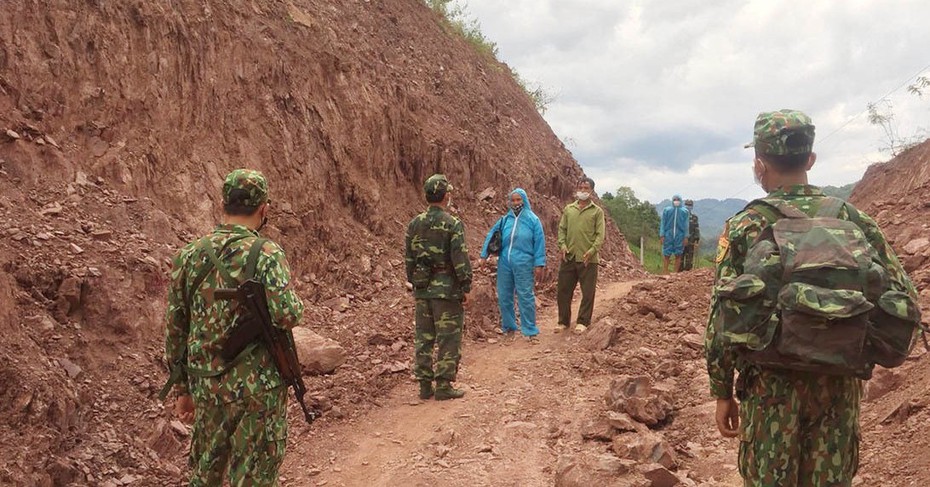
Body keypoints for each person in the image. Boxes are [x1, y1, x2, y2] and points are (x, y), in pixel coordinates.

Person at [704, 110, 917, 486]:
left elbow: (721, 316)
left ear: (759, 164)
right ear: (811, 160)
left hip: (769, 385)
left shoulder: (745, 225)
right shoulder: (854, 219)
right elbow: (903, 297)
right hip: (839, 382)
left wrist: (722, 391)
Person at [164, 169, 305, 486]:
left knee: (205, 473)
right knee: (254, 475)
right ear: (264, 209)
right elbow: (287, 315)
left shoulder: (187, 256)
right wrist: (298, 305)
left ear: (223, 204)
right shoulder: (267, 254)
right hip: (259, 390)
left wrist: (183, 390)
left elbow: (175, 329)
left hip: (207, 386)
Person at [405, 174, 473, 400]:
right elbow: (459, 258)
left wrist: (415, 282)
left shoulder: (414, 223)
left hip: (423, 290)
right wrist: (465, 285)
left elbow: (409, 258)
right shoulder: (452, 224)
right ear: (446, 196)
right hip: (446, 290)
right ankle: (443, 386)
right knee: (448, 337)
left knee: (423, 338)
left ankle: (425, 386)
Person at [479, 189, 546, 342]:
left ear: (524, 201)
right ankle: (509, 327)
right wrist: (484, 255)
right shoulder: (505, 219)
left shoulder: (533, 220)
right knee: (504, 295)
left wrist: (539, 264)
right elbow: (491, 235)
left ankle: (529, 330)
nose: (516, 203)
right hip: (505, 262)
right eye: (513, 200)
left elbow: (539, 243)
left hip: (524, 262)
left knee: (525, 296)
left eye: (518, 200)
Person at [556, 177, 606, 334]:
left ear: (591, 191)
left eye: (586, 188)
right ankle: (563, 321)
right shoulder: (569, 209)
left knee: (588, 292)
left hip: (588, 259)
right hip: (569, 257)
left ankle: (583, 321)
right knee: (563, 291)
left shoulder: (597, 212)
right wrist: (562, 245)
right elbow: (562, 229)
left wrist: (591, 251)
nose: (583, 191)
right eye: (580, 187)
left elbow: (600, 235)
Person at [659, 194, 690, 274]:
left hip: (680, 235)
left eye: (678, 199)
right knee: (666, 254)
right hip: (668, 235)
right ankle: (665, 271)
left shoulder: (684, 211)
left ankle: (675, 272)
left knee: (678, 254)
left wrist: (686, 236)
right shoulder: (667, 210)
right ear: (672, 200)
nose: (676, 201)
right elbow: (663, 223)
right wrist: (662, 235)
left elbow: (686, 225)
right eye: (675, 199)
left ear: (681, 200)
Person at [679, 199, 701, 271]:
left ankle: (688, 274)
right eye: (687, 205)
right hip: (680, 241)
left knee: (689, 259)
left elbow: (696, 229)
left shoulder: (694, 218)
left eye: (690, 205)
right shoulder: (680, 216)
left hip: (691, 241)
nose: (688, 206)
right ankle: (679, 273)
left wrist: (697, 240)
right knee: (680, 258)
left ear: (692, 206)